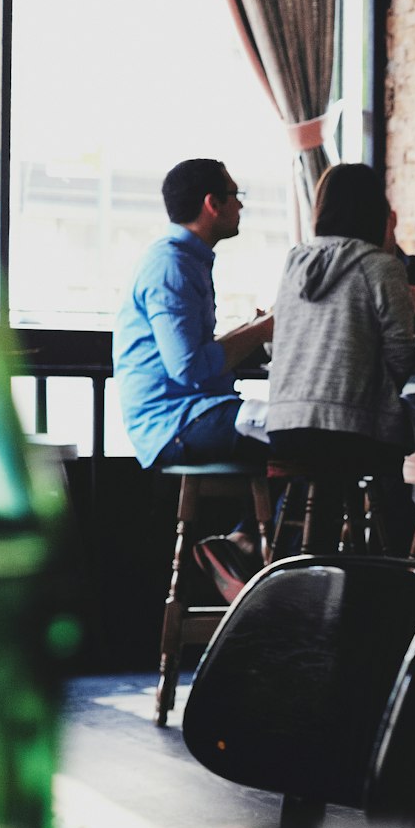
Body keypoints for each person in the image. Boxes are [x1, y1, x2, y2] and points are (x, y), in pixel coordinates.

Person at [265, 163, 415, 554]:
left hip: (284, 430)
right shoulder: (381, 266)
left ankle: (314, 568)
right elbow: (401, 355)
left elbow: (274, 344)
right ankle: (404, 554)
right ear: (376, 210)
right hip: (350, 433)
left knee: (358, 452)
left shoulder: (294, 262)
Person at [114, 158, 275, 597]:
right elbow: (187, 367)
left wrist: (250, 330)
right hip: (175, 421)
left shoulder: (185, 259)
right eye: (235, 196)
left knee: (299, 429)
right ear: (212, 204)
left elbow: (193, 356)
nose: (241, 206)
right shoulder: (172, 266)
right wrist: (260, 332)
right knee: (300, 431)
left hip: (189, 412)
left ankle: (243, 545)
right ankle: (254, 556)